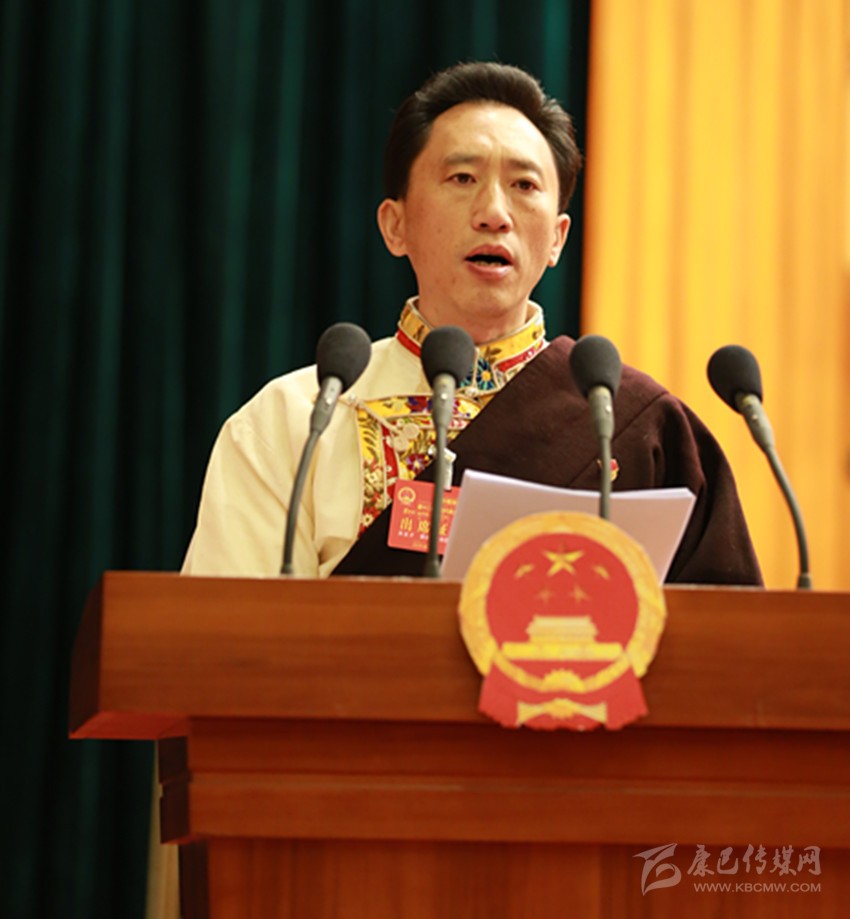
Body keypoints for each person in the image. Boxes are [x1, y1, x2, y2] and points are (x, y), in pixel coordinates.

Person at [181, 60, 761, 586]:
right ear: (395, 226)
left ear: (557, 239)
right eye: (462, 178)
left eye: (524, 185)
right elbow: (225, 641)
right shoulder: (293, 423)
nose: (494, 214)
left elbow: (727, 647)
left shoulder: (637, 429)